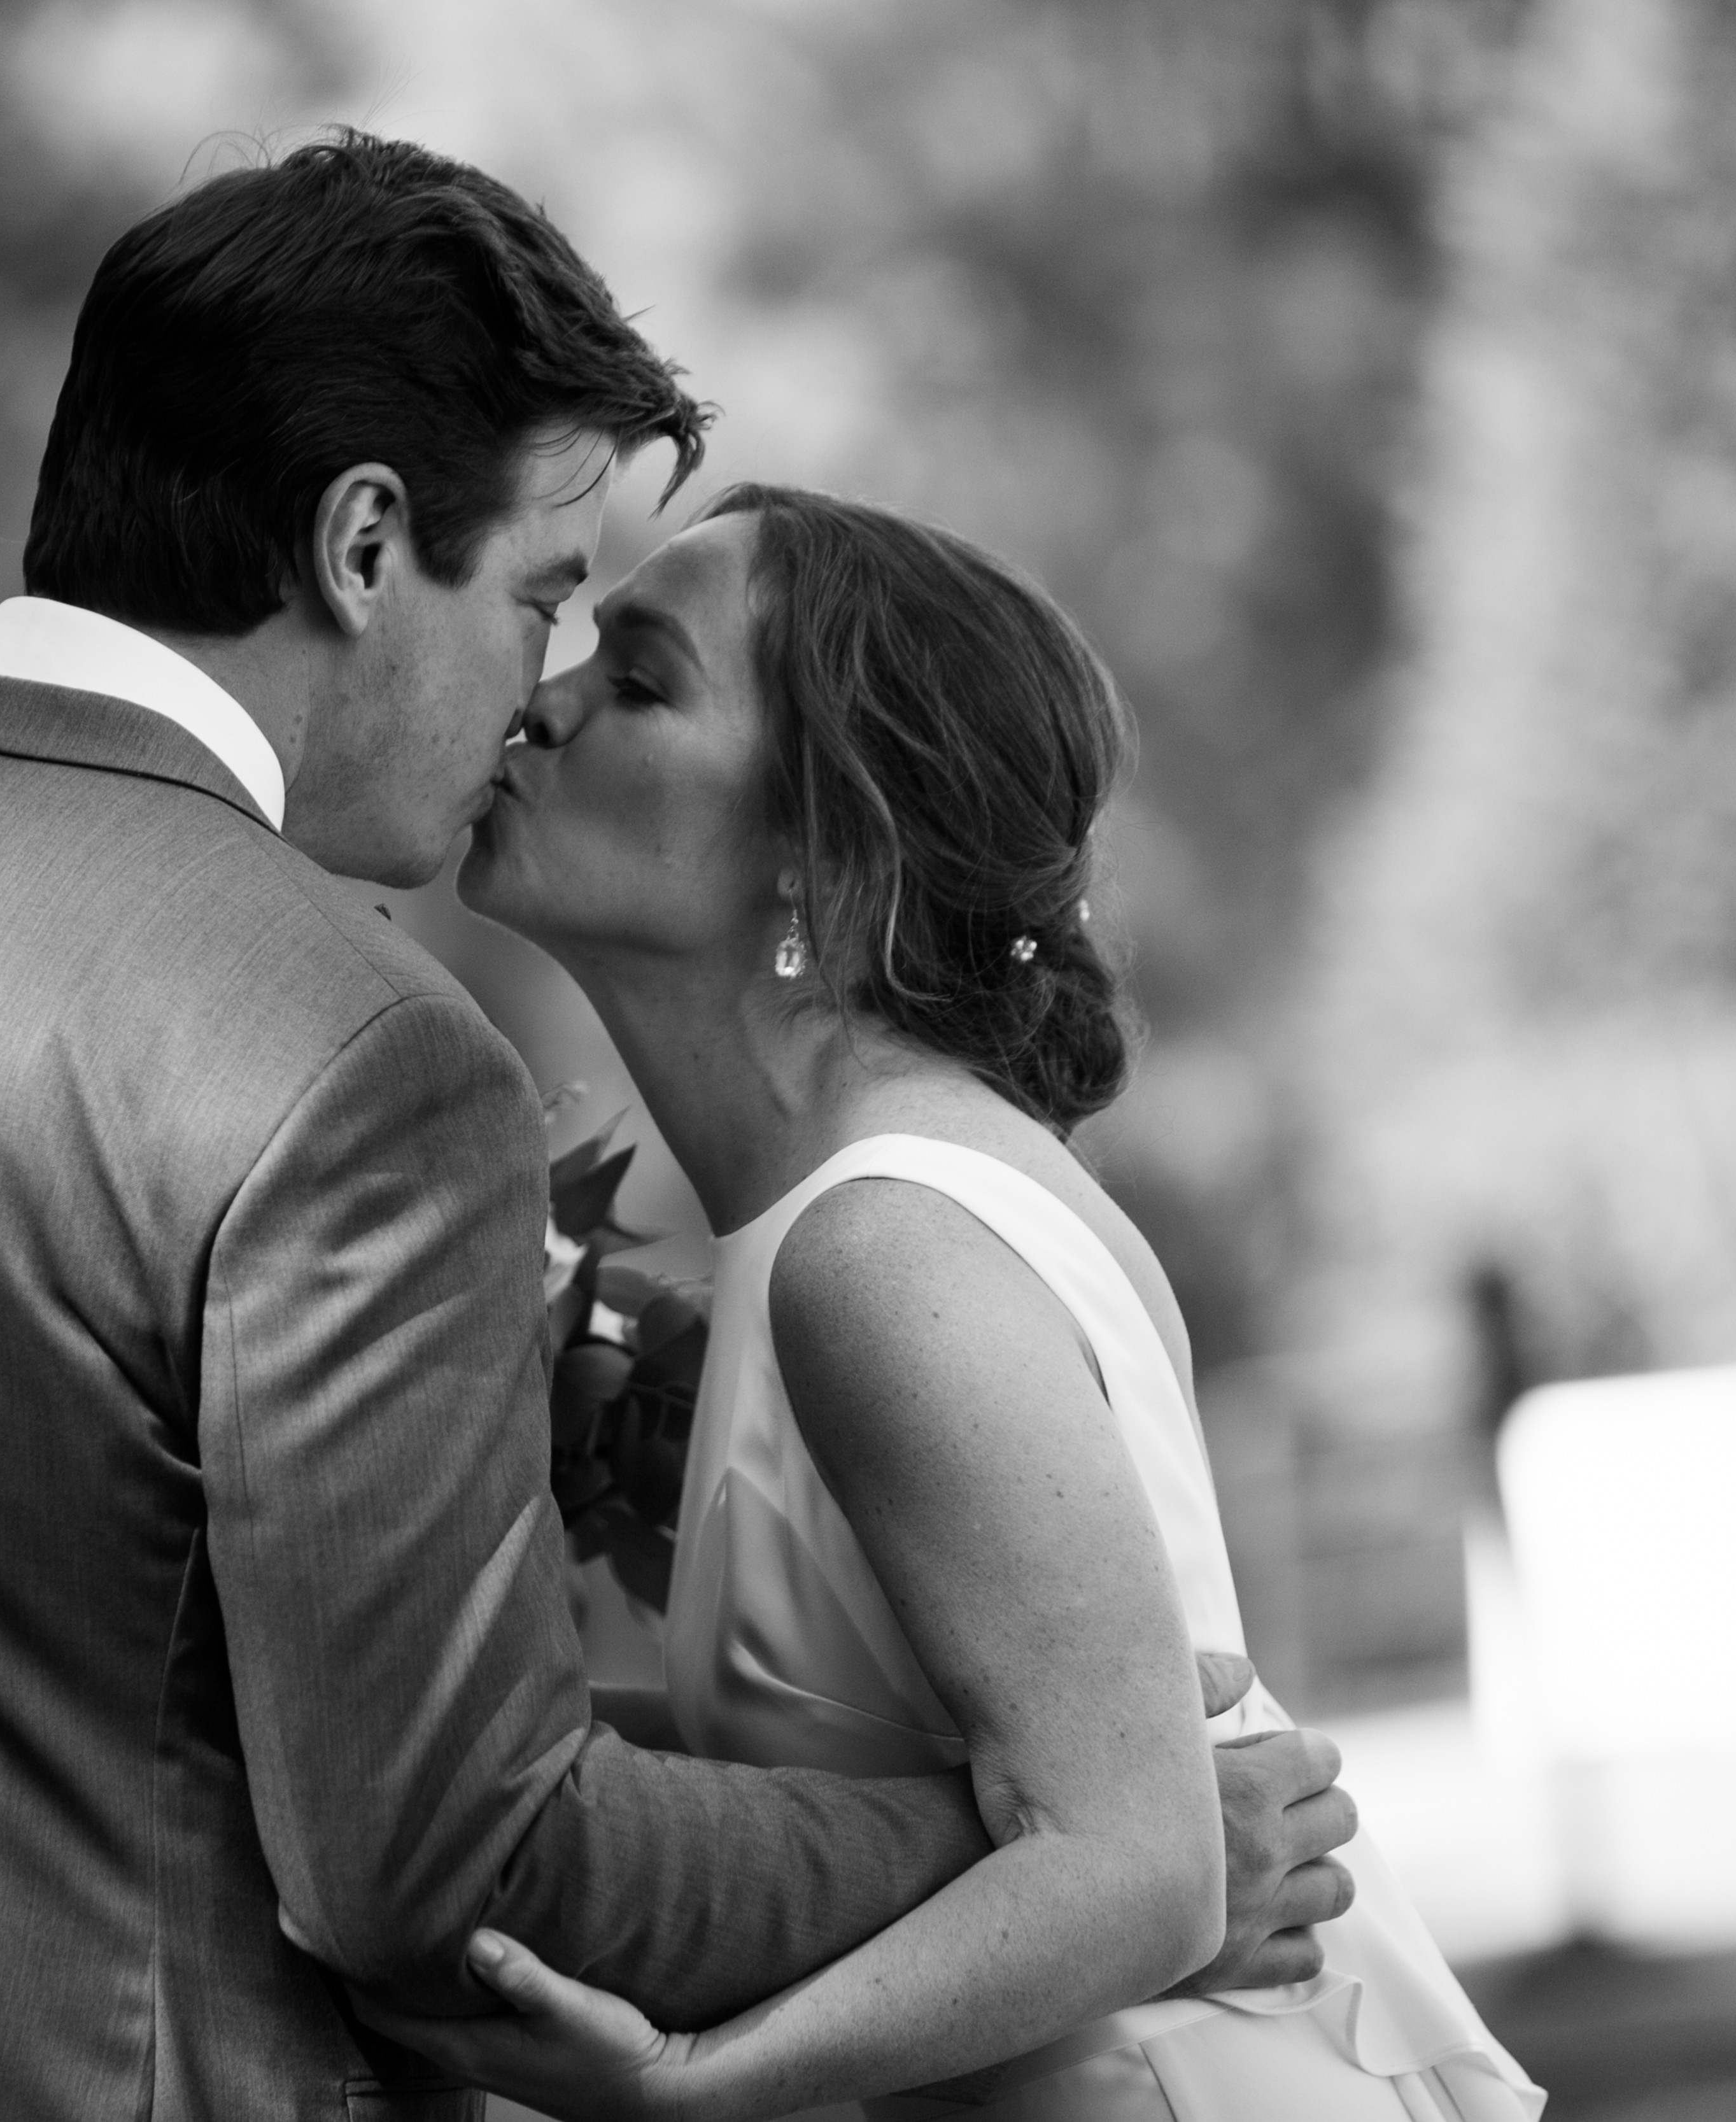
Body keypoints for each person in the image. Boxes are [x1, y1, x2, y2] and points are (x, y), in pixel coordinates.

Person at [0, 136, 1358, 2121]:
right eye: (539, 596)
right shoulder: (337, 1041)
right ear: (358, 546)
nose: (536, 687)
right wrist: (1064, 1843)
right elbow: (454, 1864)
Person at [363, 488, 1544, 2119]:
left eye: (638, 682)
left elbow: (1141, 1869)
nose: (537, 699)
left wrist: (695, 2082)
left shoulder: (883, 1244)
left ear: (818, 856)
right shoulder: (853, 1208)